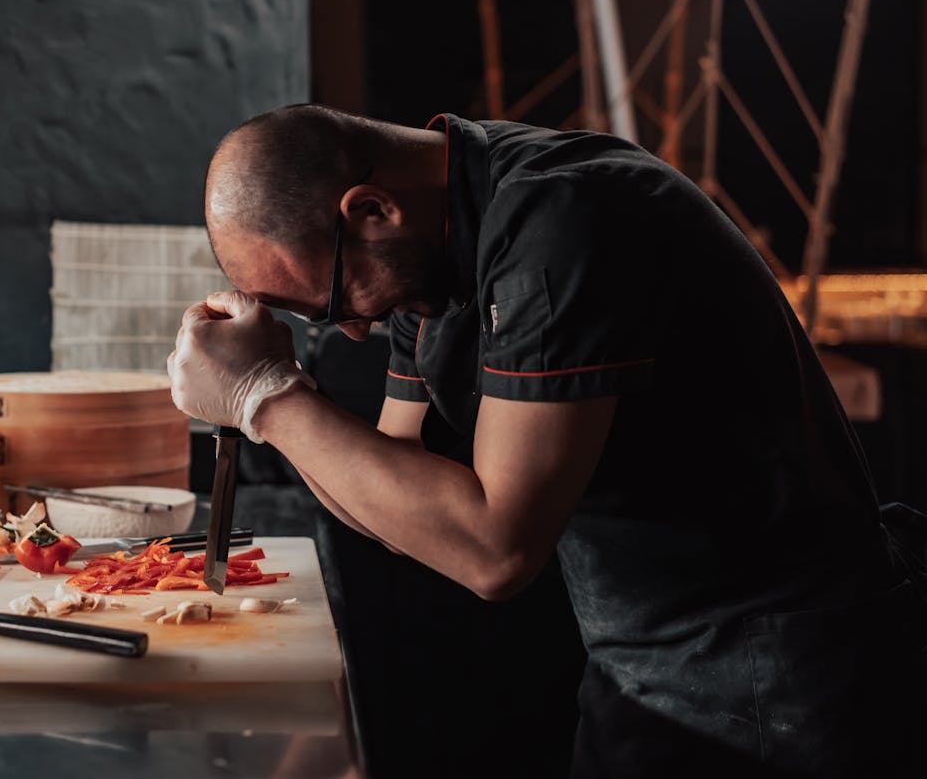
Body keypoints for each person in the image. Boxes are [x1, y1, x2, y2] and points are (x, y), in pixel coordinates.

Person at [168, 103, 927, 777]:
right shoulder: (431, 250)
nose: (354, 329)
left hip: (776, 677)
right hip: (642, 663)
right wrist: (261, 399)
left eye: (331, 304)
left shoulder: (565, 220)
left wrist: (266, 395)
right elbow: (404, 507)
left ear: (370, 210)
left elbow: (494, 548)